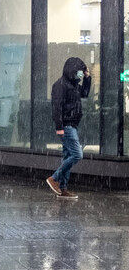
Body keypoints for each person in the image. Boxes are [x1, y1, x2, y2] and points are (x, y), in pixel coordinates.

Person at [46, 57, 91, 200]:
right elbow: (57, 107)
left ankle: (63, 189)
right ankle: (54, 178)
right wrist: (59, 127)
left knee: (67, 156)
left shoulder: (74, 85)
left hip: (73, 125)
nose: (80, 74)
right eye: (79, 71)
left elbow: (85, 93)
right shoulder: (60, 85)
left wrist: (87, 78)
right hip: (66, 126)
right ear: (73, 70)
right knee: (77, 154)